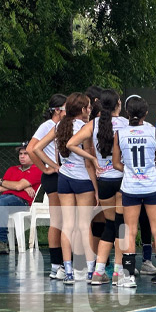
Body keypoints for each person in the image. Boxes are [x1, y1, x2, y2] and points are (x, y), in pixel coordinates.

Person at [65, 89, 128, 285]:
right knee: (121, 226)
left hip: (105, 180)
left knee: (110, 225)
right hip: (124, 178)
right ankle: (118, 271)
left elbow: (70, 144)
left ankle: (99, 271)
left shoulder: (93, 124)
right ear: (118, 104)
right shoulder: (126, 124)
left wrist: (92, 157)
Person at [34, 92, 96, 285]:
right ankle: (89, 269)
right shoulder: (85, 128)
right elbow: (88, 162)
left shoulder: (59, 125)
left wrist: (54, 166)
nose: (90, 110)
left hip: (64, 178)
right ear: (83, 109)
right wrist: (96, 187)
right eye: (88, 107)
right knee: (84, 224)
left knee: (67, 225)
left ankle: (67, 270)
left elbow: (37, 148)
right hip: (82, 178)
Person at [113, 96, 156, 288]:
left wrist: (130, 170)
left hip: (130, 186)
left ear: (127, 113)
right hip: (152, 185)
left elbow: (115, 163)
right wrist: (147, 171)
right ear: (146, 113)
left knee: (130, 230)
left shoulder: (120, 134)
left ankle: (128, 276)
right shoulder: (154, 132)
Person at [27, 94, 67, 279]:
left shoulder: (63, 126)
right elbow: (31, 149)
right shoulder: (48, 126)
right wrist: (47, 167)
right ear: (58, 110)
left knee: (63, 221)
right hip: (56, 176)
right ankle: (57, 264)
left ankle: (60, 264)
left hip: (60, 175)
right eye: (66, 107)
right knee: (59, 221)